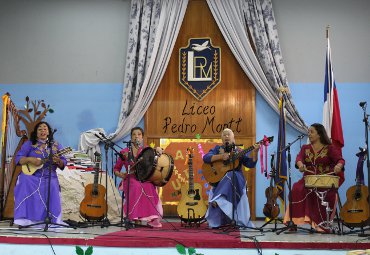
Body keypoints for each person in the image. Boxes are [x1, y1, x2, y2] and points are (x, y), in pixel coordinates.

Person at [283, 123, 345, 232]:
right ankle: (293, 221)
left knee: (318, 191)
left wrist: (339, 165)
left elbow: (340, 160)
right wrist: (300, 164)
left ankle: (320, 224)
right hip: (308, 179)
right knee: (296, 189)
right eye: (308, 132)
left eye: (312, 132)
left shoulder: (329, 148)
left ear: (319, 134)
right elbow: (299, 158)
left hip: (325, 180)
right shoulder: (305, 148)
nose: (309, 134)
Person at [202, 128, 259, 228]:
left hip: (237, 180)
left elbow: (250, 164)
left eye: (229, 134)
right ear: (222, 139)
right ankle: (219, 201)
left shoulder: (239, 151)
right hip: (220, 180)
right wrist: (221, 157)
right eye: (224, 135)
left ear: (233, 138)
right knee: (228, 176)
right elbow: (206, 157)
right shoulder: (217, 149)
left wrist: (255, 152)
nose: (226, 136)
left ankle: (218, 199)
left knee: (231, 175)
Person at [14, 121, 67, 227]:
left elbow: (63, 162)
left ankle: (51, 220)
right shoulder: (29, 144)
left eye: (45, 129)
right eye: (40, 129)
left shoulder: (55, 145)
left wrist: (58, 161)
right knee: (24, 180)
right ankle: (25, 219)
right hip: (32, 175)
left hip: (49, 175)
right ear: (36, 132)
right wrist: (30, 159)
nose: (43, 131)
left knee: (52, 184)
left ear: (48, 132)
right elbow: (18, 158)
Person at [113, 127, 163, 227]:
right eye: (134, 134)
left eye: (139, 134)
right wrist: (121, 174)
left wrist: (158, 149)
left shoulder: (146, 150)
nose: (137, 136)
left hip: (143, 178)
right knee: (136, 186)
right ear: (131, 137)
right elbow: (116, 169)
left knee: (149, 185)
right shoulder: (124, 151)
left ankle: (150, 218)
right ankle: (133, 217)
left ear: (142, 137)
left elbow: (156, 156)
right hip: (130, 178)